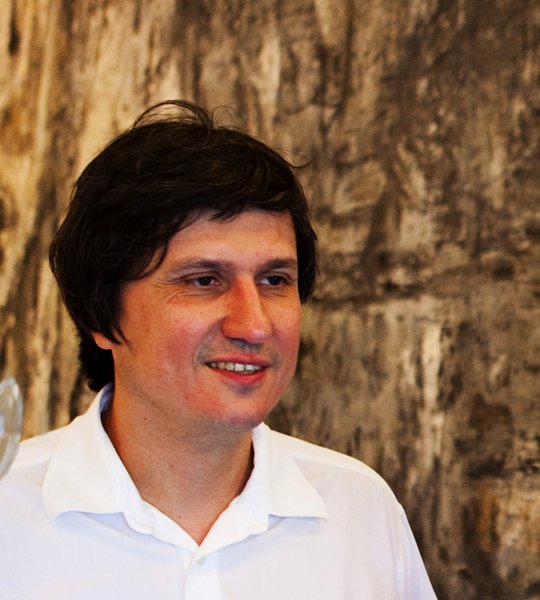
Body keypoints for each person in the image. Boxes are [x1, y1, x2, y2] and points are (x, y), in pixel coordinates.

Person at [0, 100, 437, 599]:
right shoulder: (10, 516)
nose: (254, 325)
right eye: (204, 280)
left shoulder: (360, 512)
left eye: (275, 280)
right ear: (101, 315)